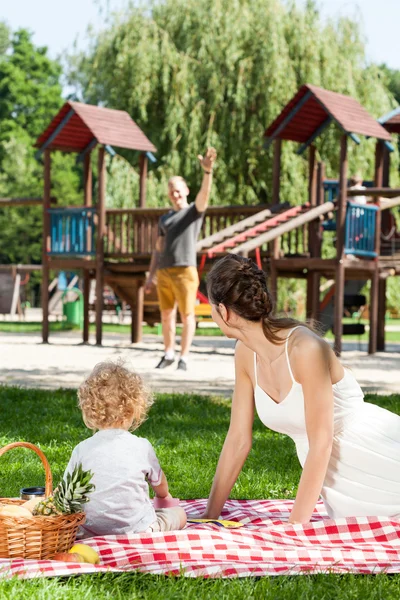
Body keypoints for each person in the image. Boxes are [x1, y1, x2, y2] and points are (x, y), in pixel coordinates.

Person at [201, 254, 400, 524]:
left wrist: (295, 528)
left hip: (379, 457)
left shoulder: (305, 348)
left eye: (212, 307)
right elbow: (238, 439)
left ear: (223, 311)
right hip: (340, 483)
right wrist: (210, 515)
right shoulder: (245, 353)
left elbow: (321, 443)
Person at [64, 361, 187, 537]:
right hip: (138, 528)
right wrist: (164, 497)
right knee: (179, 514)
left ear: (89, 409)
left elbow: (68, 492)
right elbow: (159, 482)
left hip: (91, 529)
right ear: (134, 409)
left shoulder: (81, 450)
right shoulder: (142, 447)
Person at [145, 147, 217, 371]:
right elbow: (157, 249)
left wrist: (207, 172)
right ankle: (168, 353)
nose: (175, 195)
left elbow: (204, 196)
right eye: (171, 192)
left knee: (187, 315)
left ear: (186, 190)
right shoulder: (164, 219)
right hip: (164, 271)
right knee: (166, 315)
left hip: (185, 271)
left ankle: (184, 357)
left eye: (178, 190)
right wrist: (151, 275)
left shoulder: (193, 212)